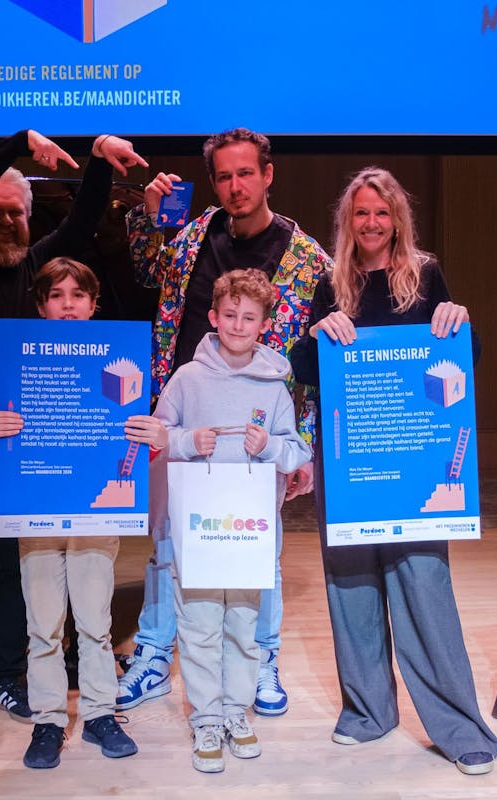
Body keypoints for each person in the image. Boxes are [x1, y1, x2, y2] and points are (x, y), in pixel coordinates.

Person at [0, 129, 148, 734]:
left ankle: (7, 680)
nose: (7, 220)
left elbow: (83, 222)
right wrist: (16, 144)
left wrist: (96, 160)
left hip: (27, 458)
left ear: (30, 219)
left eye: (16, 212)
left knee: (16, 577)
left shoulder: (35, 269)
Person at [288, 168, 497, 775]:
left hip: (413, 464)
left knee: (424, 589)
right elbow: (304, 368)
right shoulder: (330, 283)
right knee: (351, 588)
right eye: (361, 213)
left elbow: (463, 356)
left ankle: (459, 726)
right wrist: (316, 333)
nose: (372, 223)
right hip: (350, 460)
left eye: (382, 213)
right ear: (347, 221)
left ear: (398, 219)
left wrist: (460, 320)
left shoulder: (425, 276)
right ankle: (369, 712)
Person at [117, 128, 332, 716]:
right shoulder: (192, 238)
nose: (235, 186)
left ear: (268, 175)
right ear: (213, 181)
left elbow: (317, 364)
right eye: (224, 176)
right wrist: (148, 216)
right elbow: (145, 271)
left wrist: (303, 448)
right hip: (185, 420)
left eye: (246, 174)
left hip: (257, 435)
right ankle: (155, 655)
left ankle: (261, 660)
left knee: (257, 553)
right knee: (167, 545)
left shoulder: (309, 260)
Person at [0, 257, 166, 768]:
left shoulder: (117, 357)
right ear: (41, 305)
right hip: (38, 512)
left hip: (94, 516)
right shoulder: (21, 359)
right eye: (56, 296)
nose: (67, 306)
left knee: (95, 623)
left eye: (77, 295)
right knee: (43, 626)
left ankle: (100, 713)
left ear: (93, 303)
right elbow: (2, 449)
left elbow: (130, 446)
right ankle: (49, 720)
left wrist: (155, 438)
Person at [153, 268, 313, 772]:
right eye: (230, 315)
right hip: (199, 527)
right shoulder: (187, 378)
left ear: (265, 324)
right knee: (199, 623)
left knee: (244, 624)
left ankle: (235, 711)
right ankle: (205, 717)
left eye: (249, 318)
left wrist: (269, 447)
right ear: (213, 317)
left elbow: (296, 450)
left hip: (250, 530)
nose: (238, 325)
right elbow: (157, 435)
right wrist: (187, 441)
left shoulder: (275, 385)